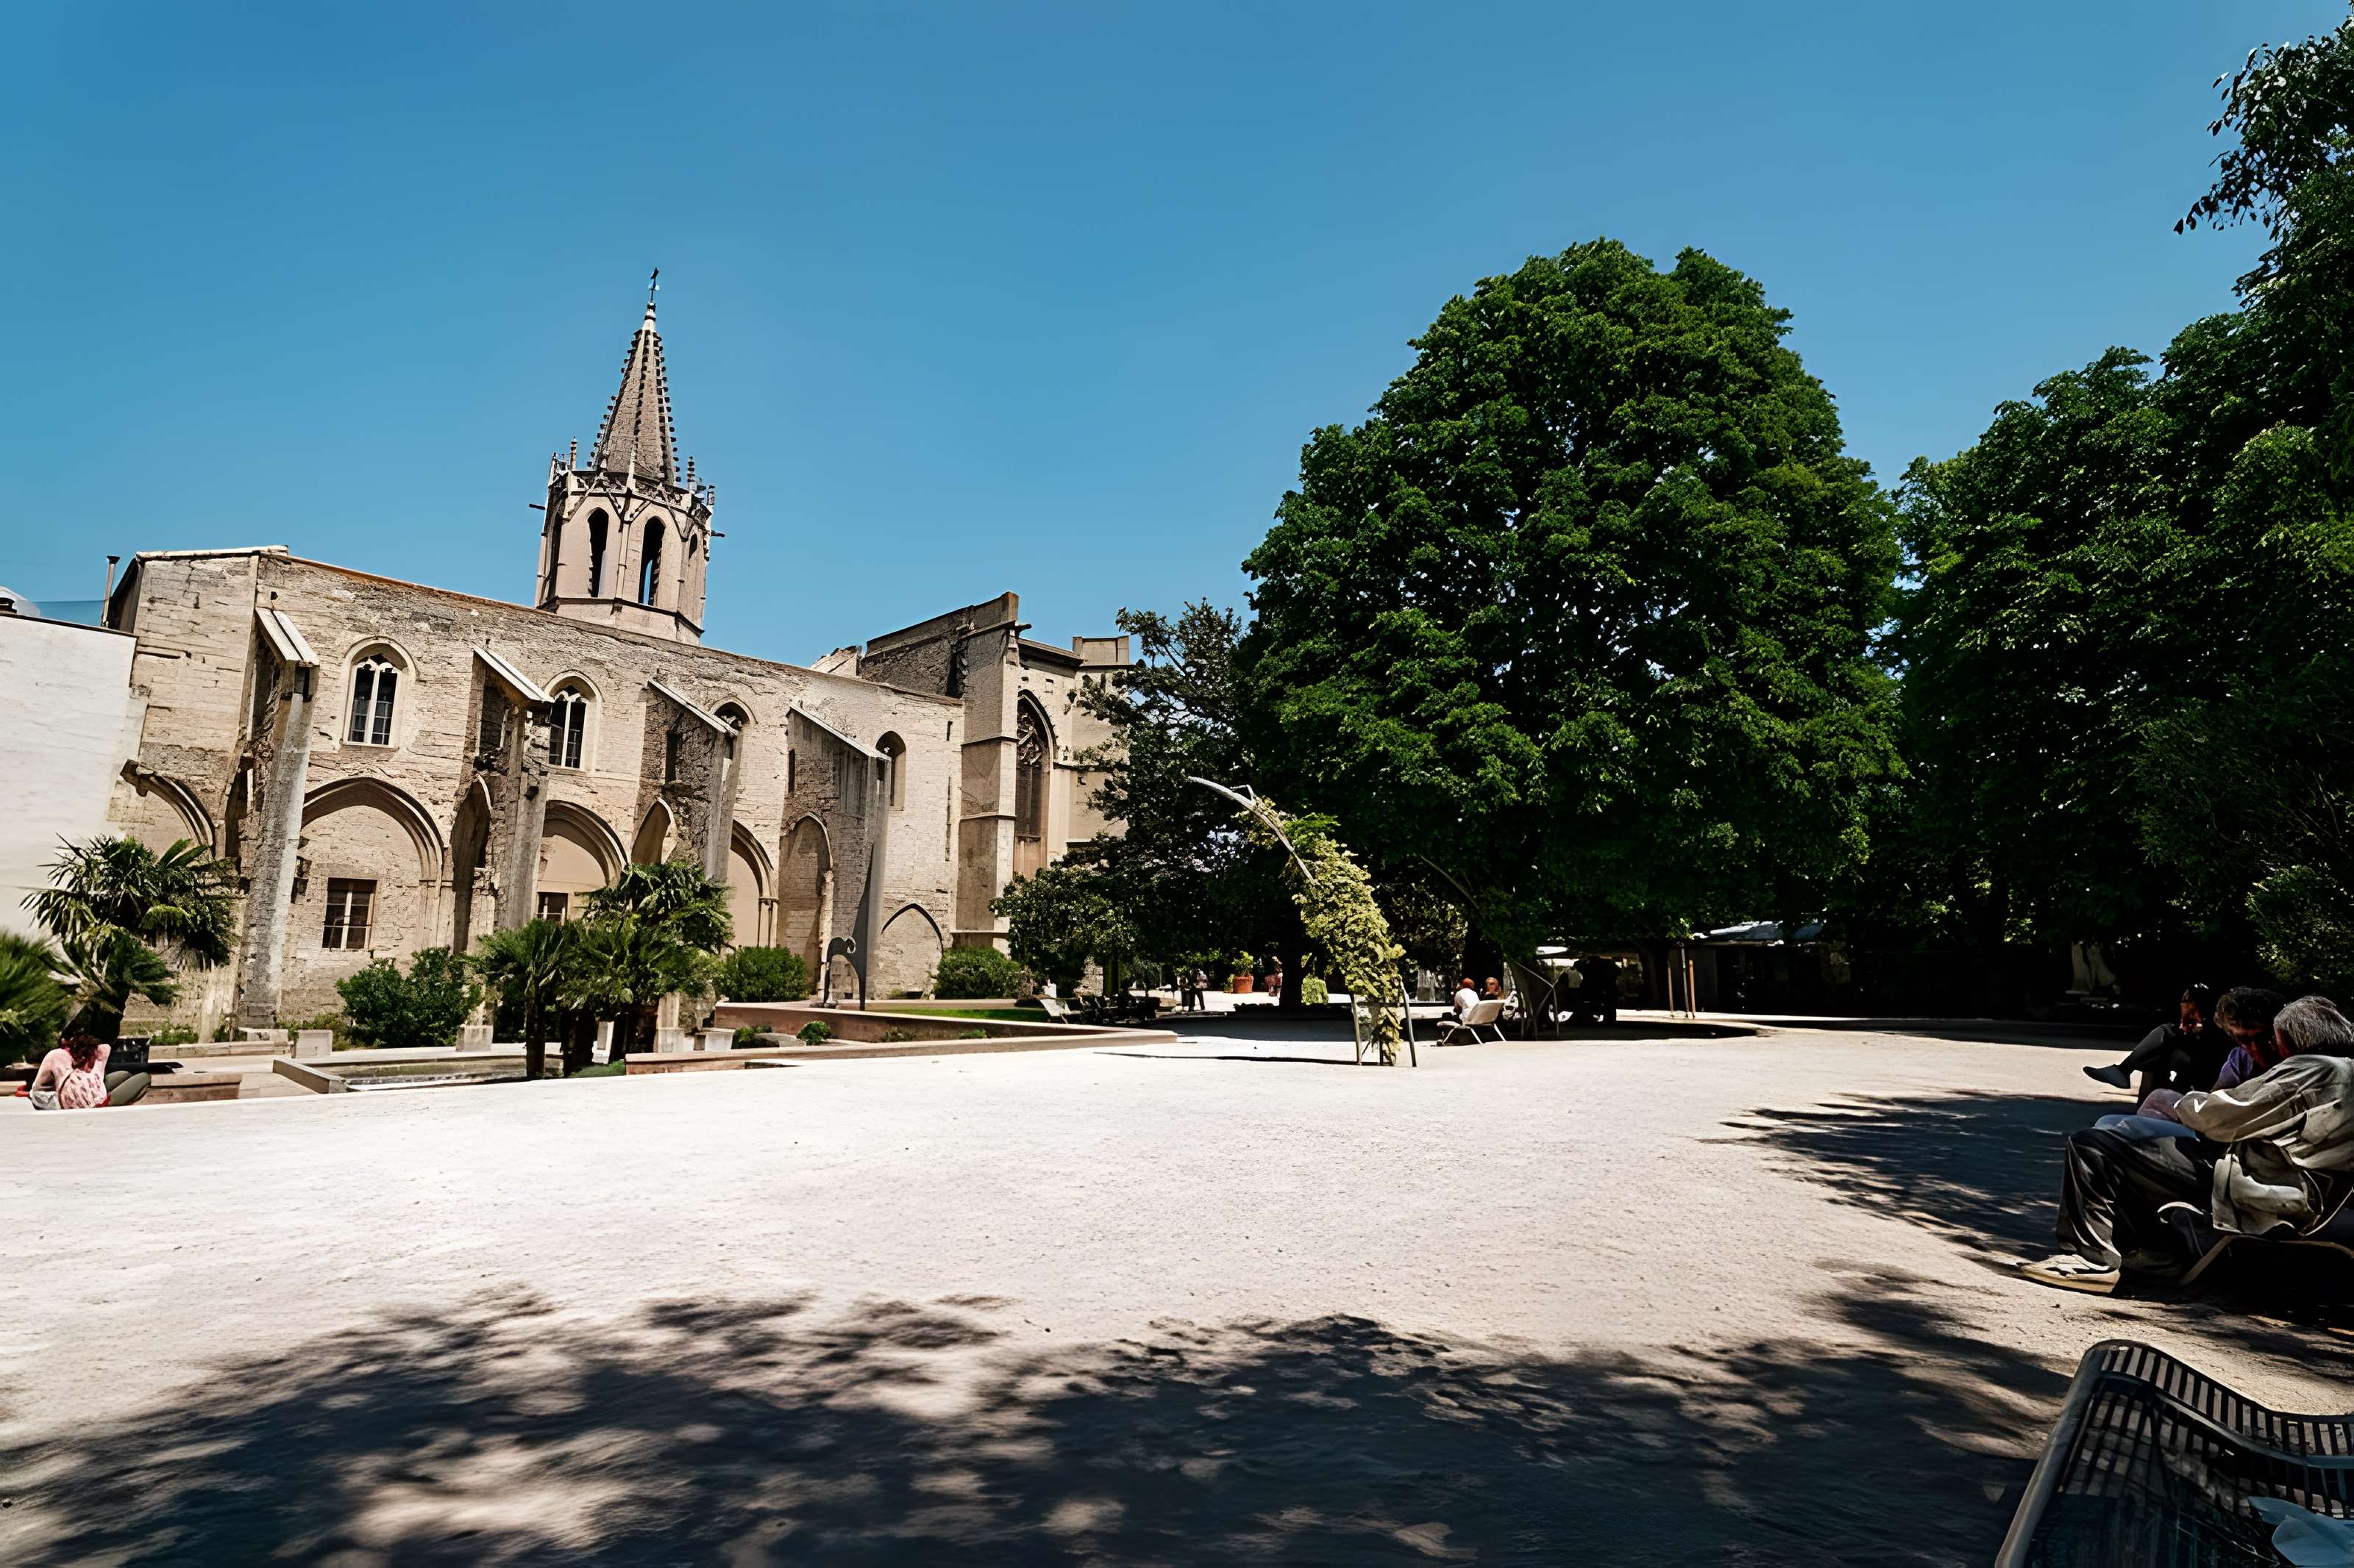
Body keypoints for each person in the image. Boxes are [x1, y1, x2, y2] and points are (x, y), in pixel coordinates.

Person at [2022, 994, 2354, 1294]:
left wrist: (2182, 1105)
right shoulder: (2346, 1073)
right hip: (2300, 1193)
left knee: (2094, 1145)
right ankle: (2154, 1255)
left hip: (2263, 1187)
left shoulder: (2311, 1069)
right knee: (2134, 1148)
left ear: (2293, 1040)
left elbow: (2221, 1117)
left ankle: (2092, 1259)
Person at [2083, 984, 2229, 1094]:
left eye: (2186, 1001)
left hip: (2204, 1080)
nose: (2182, 1005)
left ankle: (2123, 1071)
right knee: (2155, 1057)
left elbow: (2201, 1053)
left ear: (2193, 1005)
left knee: (2165, 1034)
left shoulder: (2207, 1026)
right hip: (2192, 1076)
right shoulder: (2201, 1025)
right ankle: (2124, 1074)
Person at [26, 1035, 149, 1111]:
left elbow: (104, 1048)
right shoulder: (59, 1058)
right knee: (144, 1077)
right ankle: (110, 1106)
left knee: (125, 1075)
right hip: (54, 1099)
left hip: (70, 1092)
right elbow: (70, 1089)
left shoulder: (76, 1055)